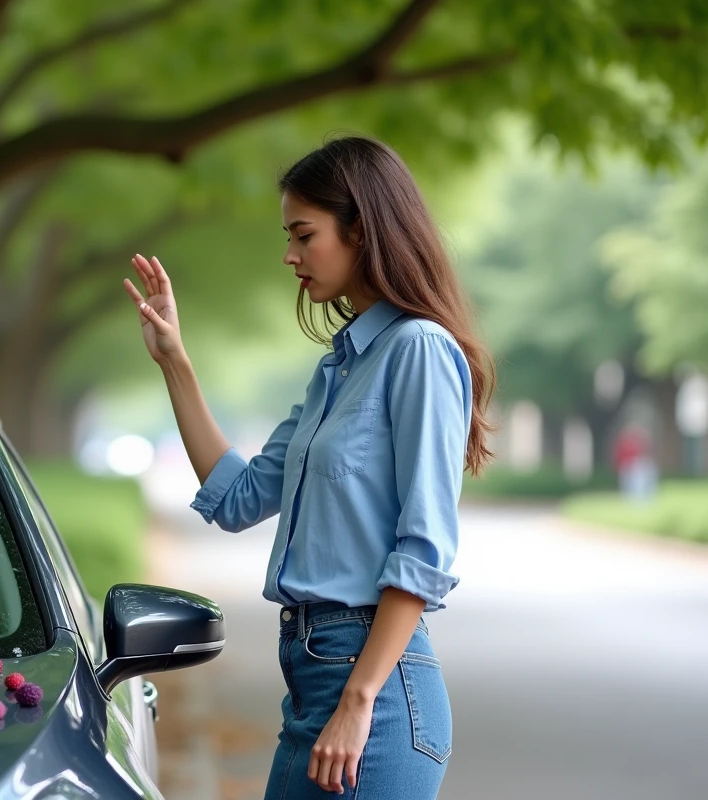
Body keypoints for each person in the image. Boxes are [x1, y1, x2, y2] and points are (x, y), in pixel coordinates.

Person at [122, 135, 496, 799]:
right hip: (316, 681)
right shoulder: (339, 370)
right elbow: (237, 497)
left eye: (304, 234)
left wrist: (358, 702)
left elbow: (425, 547)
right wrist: (174, 361)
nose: (290, 255)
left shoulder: (419, 350)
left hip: (373, 695)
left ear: (362, 229)